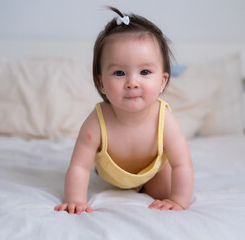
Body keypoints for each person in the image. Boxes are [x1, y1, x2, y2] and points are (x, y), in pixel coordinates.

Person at [54, 6, 193, 214]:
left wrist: (179, 201)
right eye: (119, 73)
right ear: (101, 83)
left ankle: (149, 182)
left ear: (162, 81)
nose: (132, 82)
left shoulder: (164, 120)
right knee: (88, 171)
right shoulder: (97, 121)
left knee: (164, 190)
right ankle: (109, 171)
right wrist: (76, 200)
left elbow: (182, 165)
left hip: (152, 171)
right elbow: (79, 167)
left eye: (144, 71)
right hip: (111, 174)